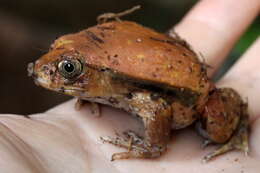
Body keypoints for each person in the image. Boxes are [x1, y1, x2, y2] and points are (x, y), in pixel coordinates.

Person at [1, 0, 259, 172]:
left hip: (192, 95)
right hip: (158, 61)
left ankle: (237, 134)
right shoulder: (105, 79)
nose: (42, 66)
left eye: (69, 69)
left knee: (217, 131)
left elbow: (157, 108)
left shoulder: (127, 87)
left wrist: (153, 147)